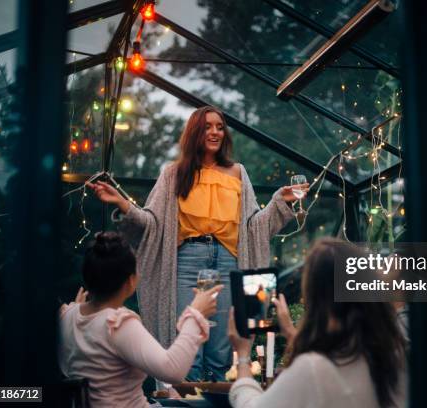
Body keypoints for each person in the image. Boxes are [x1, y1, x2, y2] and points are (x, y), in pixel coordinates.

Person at [89, 105, 307, 381]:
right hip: (186, 261)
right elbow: (152, 224)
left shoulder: (238, 172)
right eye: (207, 126)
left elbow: (253, 227)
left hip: (230, 261)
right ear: (195, 132)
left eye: (219, 126)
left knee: (221, 350)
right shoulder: (174, 173)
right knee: (187, 345)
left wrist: (279, 201)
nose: (215, 132)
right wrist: (122, 203)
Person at [227, 237, 406, 408]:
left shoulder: (314, 369)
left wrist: (243, 356)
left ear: (317, 300)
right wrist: (290, 331)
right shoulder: (395, 354)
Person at [59, 232, 222, 407]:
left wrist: (75, 310)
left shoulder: (68, 316)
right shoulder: (117, 324)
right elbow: (173, 370)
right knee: (213, 404)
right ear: (130, 281)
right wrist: (196, 313)